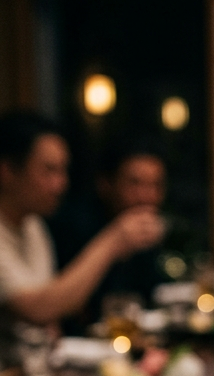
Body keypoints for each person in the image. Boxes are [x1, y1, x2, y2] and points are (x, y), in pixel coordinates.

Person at [0, 112, 164, 353]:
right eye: (48, 171)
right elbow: (38, 309)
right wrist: (114, 240)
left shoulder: (33, 225)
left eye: (63, 171)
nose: (60, 184)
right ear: (7, 171)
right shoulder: (72, 224)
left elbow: (51, 317)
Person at [48, 139, 169, 325]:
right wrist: (114, 241)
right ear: (105, 184)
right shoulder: (73, 225)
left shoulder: (147, 232)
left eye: (156, 185)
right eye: (135, 184)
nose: (147, 196)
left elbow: (149, 294)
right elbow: (72, 310)